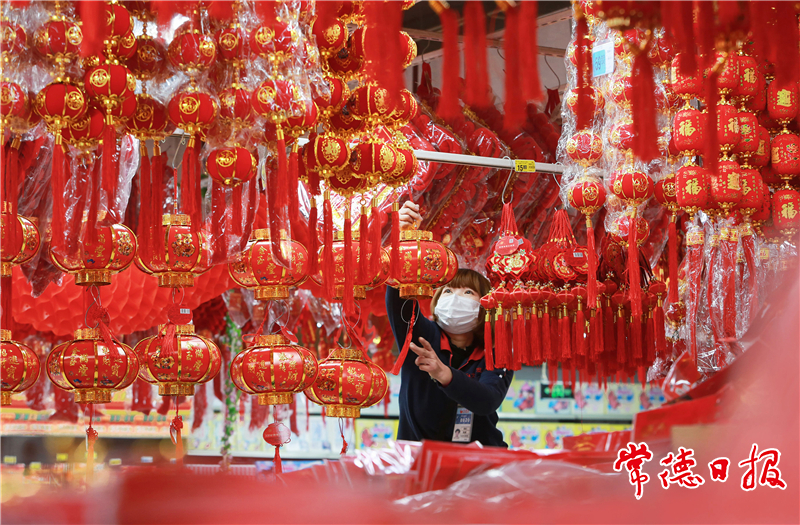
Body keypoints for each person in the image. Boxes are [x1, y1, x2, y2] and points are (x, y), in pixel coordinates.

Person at [385, 201, 513, 447]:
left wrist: (443, 373)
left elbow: (487, 400)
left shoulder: (496, 347)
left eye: (467, 292)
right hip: (419, 463)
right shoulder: (421, 336)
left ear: (485, 303)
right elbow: (400, 297)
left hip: (480, 465)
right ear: (434, 303)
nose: (455, 298)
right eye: (446, 292)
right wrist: (401, 242)